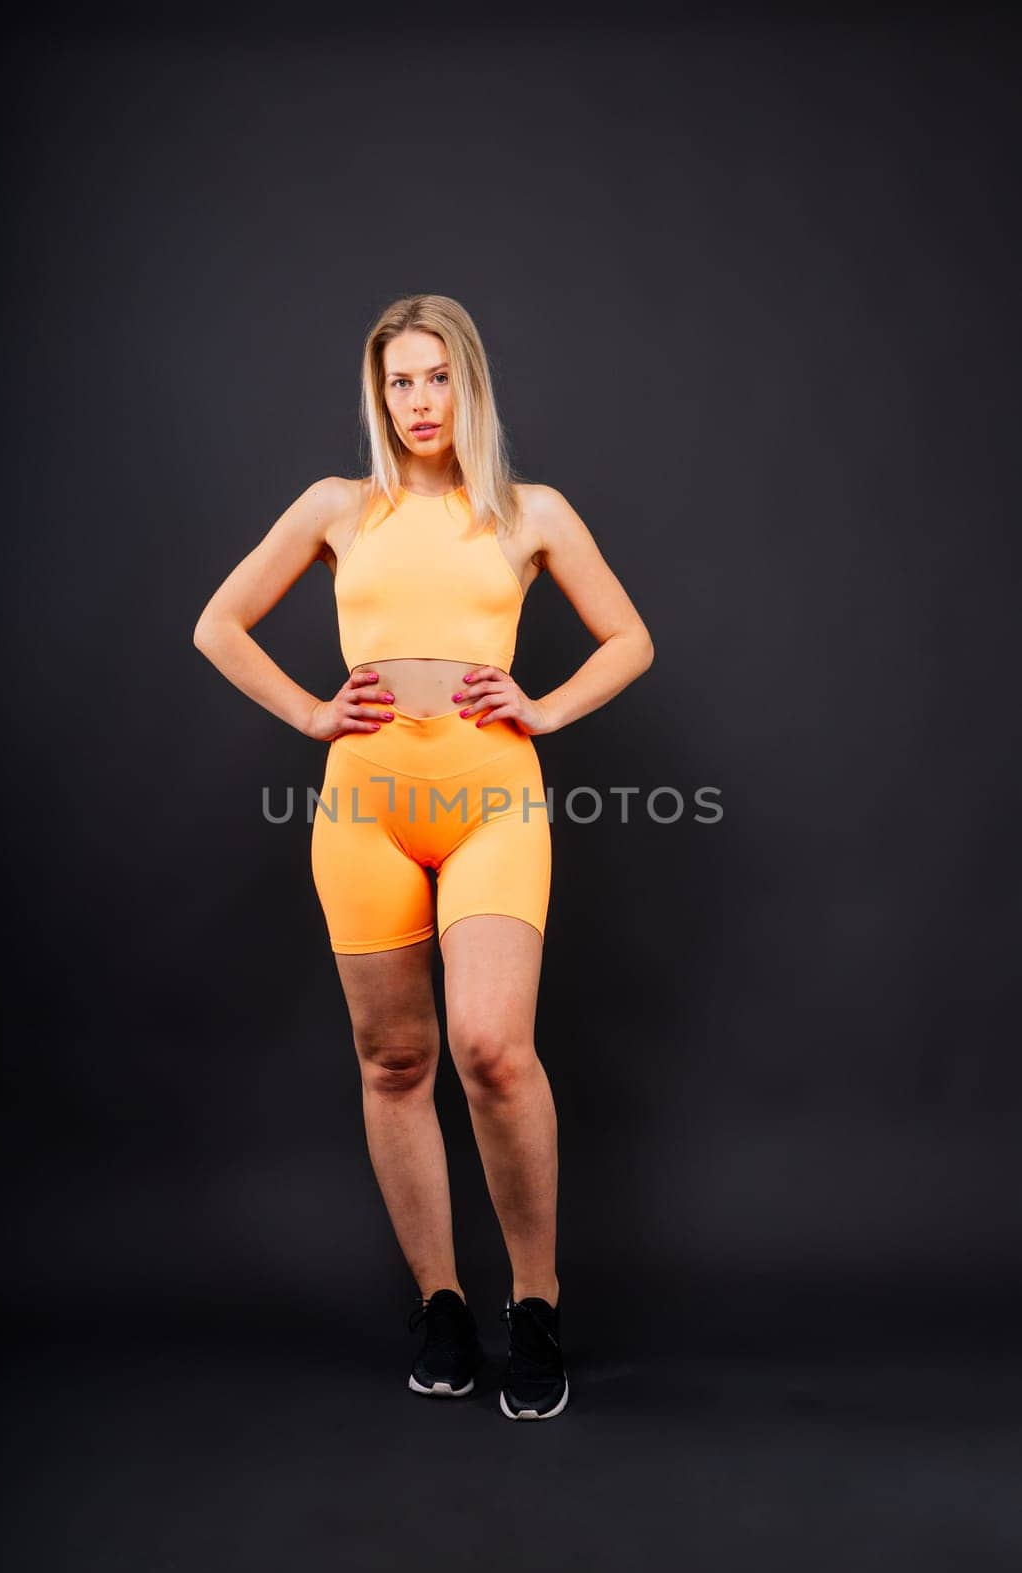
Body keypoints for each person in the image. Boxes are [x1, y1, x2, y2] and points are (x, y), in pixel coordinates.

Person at [193, 293, 654, 1420]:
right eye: (398, 381)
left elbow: (630, 637)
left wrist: (542, 708)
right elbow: (218, 623)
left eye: (436, 378)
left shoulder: (529, 512)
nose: (417, 402)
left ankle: (532, 1306)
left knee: (491, 1047)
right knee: (395, 1062)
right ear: (377, 393)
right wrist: (309, 713)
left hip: (493, 801)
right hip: (365, 810)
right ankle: (441, 1303)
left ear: (470, 386)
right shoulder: (338, 507)